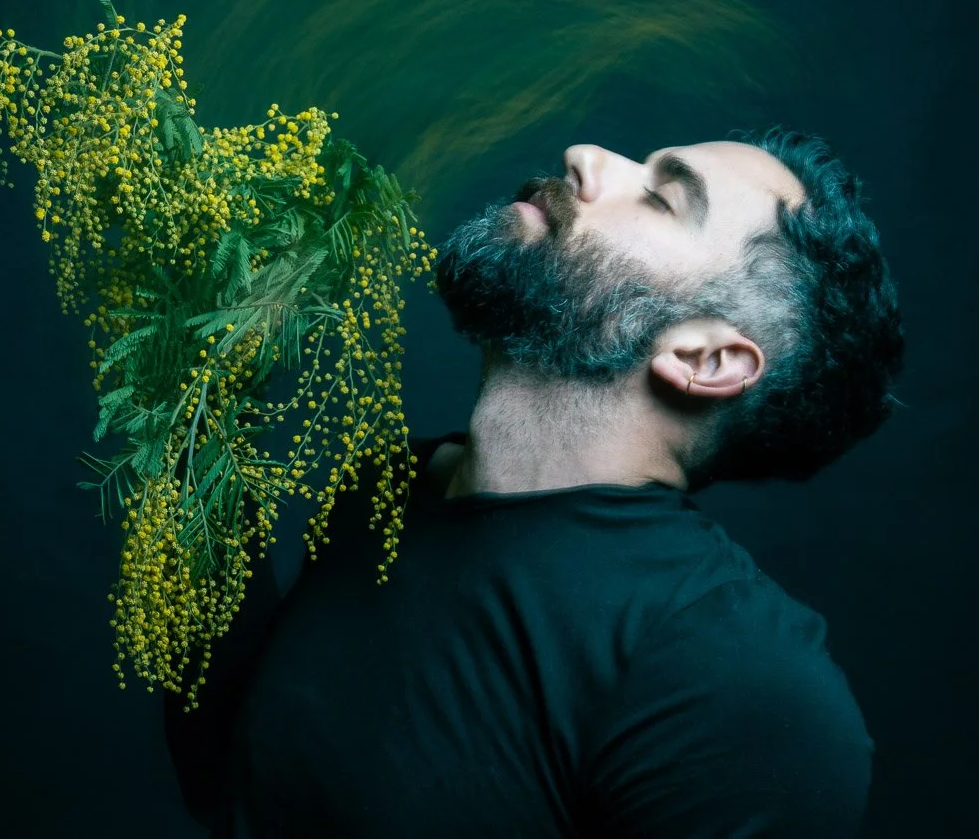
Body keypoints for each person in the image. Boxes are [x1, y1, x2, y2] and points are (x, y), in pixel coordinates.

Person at [164, 126, 905, 837]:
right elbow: (230, 788)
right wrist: (183, 411)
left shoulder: (734, 678)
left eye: (660, 197)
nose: (585, 156)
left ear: (705, 359)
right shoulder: (389, 490)